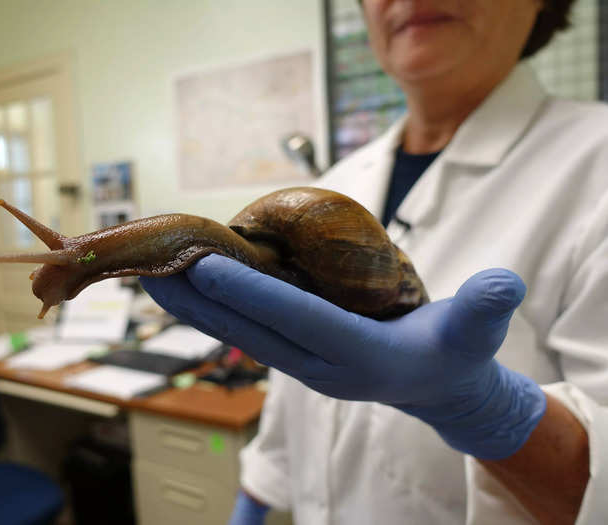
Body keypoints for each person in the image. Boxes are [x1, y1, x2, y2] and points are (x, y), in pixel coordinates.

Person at [141, 0, 608, 523]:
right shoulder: (340, 179)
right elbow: (296, 390)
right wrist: (255, 497)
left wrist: (489, 412)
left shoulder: (597, 165)